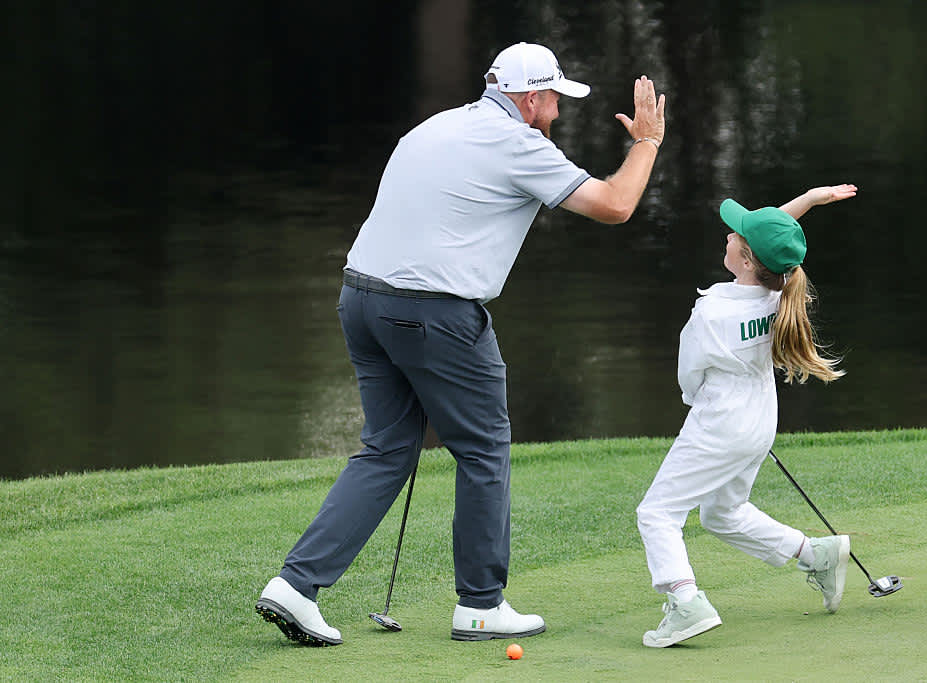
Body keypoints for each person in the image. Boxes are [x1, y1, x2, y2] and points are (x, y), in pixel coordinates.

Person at [256, 42, 667, 646]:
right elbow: (616, 204)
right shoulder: (520, 144)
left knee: (387, 448)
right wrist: (648, 143)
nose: (556, 112)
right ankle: (480, 604)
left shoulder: (434, 126)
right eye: (553, 99)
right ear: (529, 99)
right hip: (433, 314)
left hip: (361, 300)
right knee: (483, 449)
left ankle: (297, 584)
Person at [635, 184, 858, 648]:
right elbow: (775, 233)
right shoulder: (780, 293)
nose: (729, 235)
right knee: (723, 512)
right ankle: (813, 554)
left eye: (735, 235)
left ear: (746, 257)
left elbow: (689, 376)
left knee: (657, 512)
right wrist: (809, 201)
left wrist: (696, 405)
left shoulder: (712, 310)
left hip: (719, 423)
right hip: (758, 420)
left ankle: (685, 601)